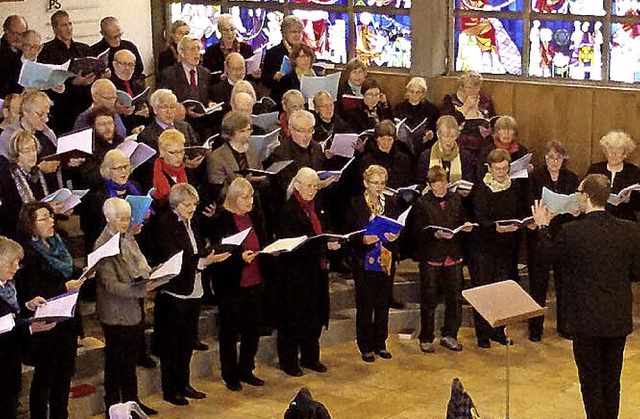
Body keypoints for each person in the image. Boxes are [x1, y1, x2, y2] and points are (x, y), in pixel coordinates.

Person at [531, 174, 640, 419]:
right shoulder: (630, 230)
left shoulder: (573, 232)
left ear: (585, 197)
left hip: (585, 318)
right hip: (617, 317)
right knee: (612, 380)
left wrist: (542, 226)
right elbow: (635, 272)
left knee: (590, 382)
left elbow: (547, 257)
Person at [151, 183, 230, 406]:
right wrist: (204, 261)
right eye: (187, 205)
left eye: (194, 204)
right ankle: (171, 388)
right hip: (174, 292)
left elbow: (194, 251)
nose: (192, 209)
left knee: (187, 342)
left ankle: (184, 383)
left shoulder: (192, 221)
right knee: (172, 344)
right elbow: (173, 258)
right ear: (175, 204)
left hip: (194, 289)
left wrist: (208, 254)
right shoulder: (165, 224)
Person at [15, 202, 84, 419]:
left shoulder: (58, 242)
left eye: (51, 216)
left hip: (67, 320)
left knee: (64, 377)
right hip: (46, 323)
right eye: (44, 218)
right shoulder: (26, 252)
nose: (51, 221)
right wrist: (64, 287)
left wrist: (86, 271)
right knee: (44, 378)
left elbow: (70, 271)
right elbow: (30, 290)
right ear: (30, 224)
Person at [94, 198, 160, 416]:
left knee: (130, 361)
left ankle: (133, 403)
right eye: (120, 219)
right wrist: (143, 289)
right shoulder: (103, 245)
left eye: (127, 218)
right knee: (115, 364)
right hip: (115, 313)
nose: (125, 223)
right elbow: (110, 285)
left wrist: (153, 274)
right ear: (108, 219)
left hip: (132, 309)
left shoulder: (127, 237)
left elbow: (138, 264)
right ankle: (113, 407)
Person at [274, 167, 340, 376]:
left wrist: (331, 241)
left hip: (316, 271)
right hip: (295, 273)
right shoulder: (288, 209)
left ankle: (311, 357)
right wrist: (323, 246)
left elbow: (325, 228)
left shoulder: (318, 206)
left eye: (315, 186)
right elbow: (292, 243)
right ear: (297, 185)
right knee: (294, 318)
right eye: (308, 185)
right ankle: (289, 361)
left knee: (314, 316)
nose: (312, 190)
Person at [208, 178, 268, 391]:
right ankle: (230, 374)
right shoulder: (222, 220)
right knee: (230, 332)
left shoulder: (255, 216)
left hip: (255, 280)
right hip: (231, 284)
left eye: (251, 196)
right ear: (233, 198)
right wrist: (239, 257)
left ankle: (246, 369)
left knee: (252, 329)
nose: (250, 201)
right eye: (245, 197)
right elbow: (218, 254)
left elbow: (263, 240)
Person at [409, 166, 472, 353]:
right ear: (429, 186)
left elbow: (462, 220)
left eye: (443, 183)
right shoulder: (422, 203)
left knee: (454, 299)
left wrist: (466, 227)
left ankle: (450, 334)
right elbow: (417, 232)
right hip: (432, 257)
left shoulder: (456, 200)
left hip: (453, 256)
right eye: (436, 185)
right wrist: (434, 234)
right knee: (429, 300)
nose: (441, 188)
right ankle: (426, 337)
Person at [471, 149, 528, 348]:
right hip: (484, 247)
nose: (502, 173)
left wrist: (520, 223)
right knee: (484, 291)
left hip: (507, 247)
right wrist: (495, 227)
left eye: (505, 168)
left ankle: (498, 331)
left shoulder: (514, 187)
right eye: (497, 169)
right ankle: (483, 335)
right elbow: (479, 217)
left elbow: (520, 210)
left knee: (502, 290)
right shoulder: (481, 188)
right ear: (489, 168)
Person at [346, 165, 401, 362]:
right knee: (365, 304)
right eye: (375, 183)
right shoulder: (356, 203)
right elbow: (349, 233)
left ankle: (380, 343)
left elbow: (398, 226)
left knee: (383, 303)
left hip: (386, 258)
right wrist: (362, 239)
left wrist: (395, 236)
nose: (379, 187)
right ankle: (365, 345)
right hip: (364, 259)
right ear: (365, 183)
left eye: (382, 183)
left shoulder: (391, 202)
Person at [526, 140, 579, 341]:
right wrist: (543, 214)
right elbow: (529, 201)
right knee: (538, 283)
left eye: (557, 158)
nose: (553, 162)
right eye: (550, 157)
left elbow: (576, 203)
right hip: (540, 234)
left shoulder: (571, 178)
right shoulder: (536, 177)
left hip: (563, 235)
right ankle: (535, 330)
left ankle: (565, 327)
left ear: (563, 159)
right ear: (545, 158)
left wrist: (574, 210)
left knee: (564, 283)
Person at [0, 236, 53, 419]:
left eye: (18, 262)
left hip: (11, 363)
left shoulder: (6, 287)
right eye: (11, 262)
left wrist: (28, 307)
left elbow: (10, 318)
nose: (16, 267)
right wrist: (30, 328)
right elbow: (5, 328)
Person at [38, 10, 98, 134]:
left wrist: (101, 72)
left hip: (86, 101)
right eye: (64, 25)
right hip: (63, 108)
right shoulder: (46, 51)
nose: (69, 28)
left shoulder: (84, 48)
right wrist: (73, 82)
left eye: (70, 24)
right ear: (55, 28)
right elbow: (46, 83)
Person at [0, 130, 64, 238]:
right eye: (26, 151)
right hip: (18, 229)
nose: (32, 154)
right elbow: (13, 212)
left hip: (42, 224)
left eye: (34, 149)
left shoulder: (38, 173)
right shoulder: (8, 177)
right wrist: (47, 208)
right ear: (17, 154)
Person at [159, 36, 215, 140]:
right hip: (182, 125)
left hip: (204, 124)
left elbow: (208, 96)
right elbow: (164, 102)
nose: (197, 53)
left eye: (198, 49)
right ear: (182, 53)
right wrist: (183, 109)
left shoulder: (205, 73)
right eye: (193, 49)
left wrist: (210, 103)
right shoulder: (169, 74)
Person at [441, 71, 496, 168]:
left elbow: (492, 120)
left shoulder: (484, 100)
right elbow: (447, 124)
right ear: (461, 87)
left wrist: (489, 129)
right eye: (470, 87)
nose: (474, 91)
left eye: (477, 87)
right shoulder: (450, 100)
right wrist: (465, 108)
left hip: (483, 144)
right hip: (460, 143)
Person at [206, 111, 264, 201]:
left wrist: (261, 179)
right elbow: (219, 192)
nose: (247, 134)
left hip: (254, 200)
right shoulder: (217, 157)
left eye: (249, 130)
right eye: (242, 131)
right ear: (230, 133)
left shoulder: (252, 151)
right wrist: (245, 181)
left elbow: (260, 173)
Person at [586, 131, 640, 221]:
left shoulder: (633, 171)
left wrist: (629, 200)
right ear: (605, 152)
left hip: (624, 219)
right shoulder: (595, 169)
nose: (613, 155)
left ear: (625, 154)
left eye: (618, 151)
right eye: (610, 150)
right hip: (599, 219)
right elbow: (585, 193)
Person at [417, 115, 475, 186]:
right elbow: (421, 183)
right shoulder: (426, 156)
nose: (449, 141)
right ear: (438, 134)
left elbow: (469, 181)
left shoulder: (465, 156)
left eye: (452, 136)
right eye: (445, 136)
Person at [358, 119, 414, 190]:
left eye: (389, 139)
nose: (386, 143)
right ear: (376, 138)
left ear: (394, 139)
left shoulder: (403, 158)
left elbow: (408, 181)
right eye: (383, 139)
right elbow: (363, 185)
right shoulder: (367, 159)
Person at [393, 77, 440, 157]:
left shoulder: (431, 110)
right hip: (402, 148)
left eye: (418, 92)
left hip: (423, 147)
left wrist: (430, 134)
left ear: (423, 94)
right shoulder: (399, 108)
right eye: (412, 91)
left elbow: (435, 129)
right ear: (407, 92)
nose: (414, 95)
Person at [476, 115, 530, 181]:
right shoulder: (487, 151)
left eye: (510, 129)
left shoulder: (522, 150)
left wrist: (529, 170)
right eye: (503, 129)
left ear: (514, 133)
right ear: (497, 132)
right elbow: (480, 173)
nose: (506, 133)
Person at [202, 14, 254, 78]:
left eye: (232, 29)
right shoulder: (211, 52)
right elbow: (207, 76)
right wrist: (219, 77)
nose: (229, 33)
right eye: (226, 30)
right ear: (220, 31)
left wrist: (254, 75)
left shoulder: (247, 49)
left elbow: (251, 75)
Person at [111, 50, 150, 133]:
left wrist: (146, 111)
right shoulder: (109, 86)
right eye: (124, 64)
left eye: (131, 65)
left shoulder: (137, 85)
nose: (128, 68)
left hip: (141, 129)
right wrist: (117, 110)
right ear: (115, 64)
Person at [261, 16, 304, 91]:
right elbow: (265, 80)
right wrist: (274, 77)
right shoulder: (273, 53)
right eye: (293, 32)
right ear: (284, 33)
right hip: (281, 93)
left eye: (299, 32)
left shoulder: (307, 52)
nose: (297, 35)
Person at [152, 129, 189, 207]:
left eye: (181, 151)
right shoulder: (152, 175)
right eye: (173, 152)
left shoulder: (189, 172)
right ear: (161, 151)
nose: (179, 157)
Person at [0, 15, 27, 98]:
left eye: (22, 34)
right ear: (6, 31)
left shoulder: (26, 49)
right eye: (15, 33)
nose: (19, 38)